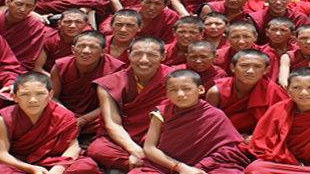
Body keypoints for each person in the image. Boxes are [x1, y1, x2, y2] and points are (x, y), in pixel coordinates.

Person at [139, 70, 250, 174]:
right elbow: (149, 148)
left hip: (205, 166)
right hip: (167, 165)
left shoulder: (214, 115)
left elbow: (228, 150)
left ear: (201, 90)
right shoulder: (161, 113)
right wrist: (180, 167)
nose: (180, 94)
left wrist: (199, 167)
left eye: (186, 89)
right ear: (166, 93)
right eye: (173, 90)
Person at [87, 36, 172, 172]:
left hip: (159, 138)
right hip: (123, 140)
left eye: (152, 55)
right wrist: (134, 149)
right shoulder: (110, 83)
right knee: (97, 149)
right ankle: (157, 165)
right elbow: (112, 123)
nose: (144, 60)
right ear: (128, 55)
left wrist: (149, 148)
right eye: (137, 54)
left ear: (163, 56)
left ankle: (145, 165)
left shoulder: (174, 80)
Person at [0, 72, 95, 174]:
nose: (33, 100)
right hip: (19, 163)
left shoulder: (63, 115)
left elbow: (73, 147)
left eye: (40, 93)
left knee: (86, 166)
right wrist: (32, 169)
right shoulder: (6, 118)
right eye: (25, 94)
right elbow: (1, 154)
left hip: (53, 161)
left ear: (50, 95)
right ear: (14, 97)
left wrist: (58, 168)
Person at [51, 30, 125, 131]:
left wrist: (84, 120)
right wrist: (68, 116)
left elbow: (112, 104)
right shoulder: (61, 66)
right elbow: (53, 98)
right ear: (73, 49)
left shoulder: (115, 69)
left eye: (93, 47)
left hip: (95, 116)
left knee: (112, 119)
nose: (86, 51)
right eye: (81, 46)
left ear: (103, 51)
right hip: (66, 113)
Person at [0, 0, 50, 71]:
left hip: (14, 68)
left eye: (28, 6)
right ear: (7, 2)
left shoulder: (35, 27)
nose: (22, 9)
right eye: (19, 4)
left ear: (34, 8)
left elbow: (26, 59)